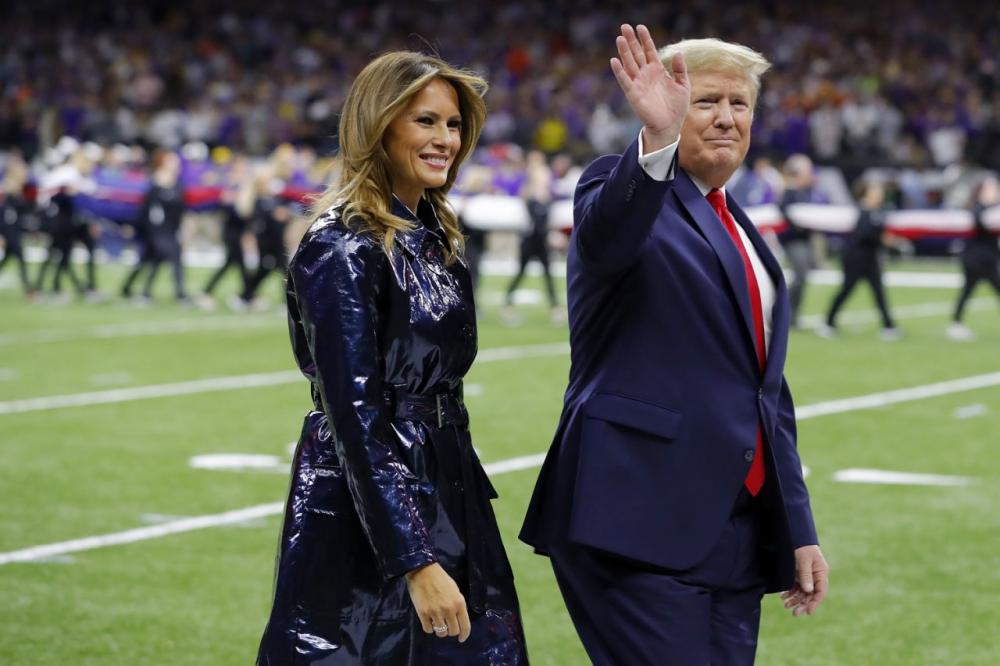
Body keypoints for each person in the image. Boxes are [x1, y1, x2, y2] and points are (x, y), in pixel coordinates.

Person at [520, 26, 828, 665]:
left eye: (739, 104)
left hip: (734, 531)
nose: (725, 118)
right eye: (705, 101)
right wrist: (656, 140)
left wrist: (797, 529)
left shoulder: (742, 228)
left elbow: (765, 394)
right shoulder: (620, 188)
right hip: (635, 517)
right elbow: (608, 239)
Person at [256, 51, 528, 665]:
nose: (445, 140)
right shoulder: (343, 247)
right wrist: (414, 559)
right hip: (369, 502)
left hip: (443, 478)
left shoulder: (432, 237)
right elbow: (353, 415)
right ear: (379, 127)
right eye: (425, 121)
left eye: (453, 124)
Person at [818, 180, 901, 340]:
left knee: (879, 292)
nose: (879, 195)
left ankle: (889, 326)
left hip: (871, 258)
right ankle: (828, 322)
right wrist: (882, 240)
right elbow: (865, 234)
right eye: (875, 192)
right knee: (846, 290)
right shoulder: (861, 210)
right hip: (855, 257)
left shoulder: (880, 211)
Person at [120, 150, 188, 304]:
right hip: (157, 228)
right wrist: (134, 225)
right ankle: (181, 294)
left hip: (172, 228)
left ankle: (134, 289)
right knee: (173, 258)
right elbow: (145, 207)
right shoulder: (154, 182)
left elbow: (181, 208)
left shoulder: (178, 183)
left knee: (151, 260)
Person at [502, 150, 561, 322]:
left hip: (541, 242)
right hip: (530, 241)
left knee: (548, 275)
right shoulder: (529, 199)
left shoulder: (548, 200)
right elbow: (533, 223)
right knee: (521, 272)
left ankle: (555, 308)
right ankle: (507, 304)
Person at [946, 173, 1000, 340]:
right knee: (968, 291)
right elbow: (985, 224)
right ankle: (955, 324)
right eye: (992, 189)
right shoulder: (977, 209)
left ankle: (955, 323)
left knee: (968, 291)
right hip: (977, 260)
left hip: (988, 258)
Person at [778, 153, 828, 328]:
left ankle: (792, 314)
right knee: (800, 275)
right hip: (792, 239)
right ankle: (785, 312)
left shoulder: (808, 192)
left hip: (805, 238)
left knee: (804, 276)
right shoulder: (789, 192)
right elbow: (784, 212)